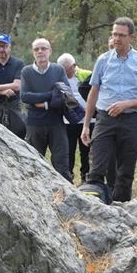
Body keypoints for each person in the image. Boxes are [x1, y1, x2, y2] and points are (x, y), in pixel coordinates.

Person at [81, 17, 137, 202]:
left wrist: (128, 104)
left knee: (126, 172)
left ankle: (120, 211)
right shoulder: (103, 60)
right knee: (97, 168)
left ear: (131, 37)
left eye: (121, 35)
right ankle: (95, 208)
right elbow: (93, 92)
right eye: (114, 34)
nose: (117, 39)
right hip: (105, 119)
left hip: (131, 121)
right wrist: (85, 125)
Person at [20, 38, 71, 181]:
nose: (40, 52)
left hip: (56, 123)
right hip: (35, 125)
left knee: (62, 165)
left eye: (43, 48)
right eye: (36, 49)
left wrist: (45, 104)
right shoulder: (26, 71)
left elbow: (66, 96)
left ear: (50, 51)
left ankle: (66, 198)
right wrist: (51, 94)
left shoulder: (58, 70)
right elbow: (25, 96)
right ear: (33, 53)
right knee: (34, 165)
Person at [57, 53, 92, 182]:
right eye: (63, 70)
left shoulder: (86, 75)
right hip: (68, 121)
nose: (66, 73)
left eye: (68, 70)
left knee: (86, 151)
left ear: (74, 66)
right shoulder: (58, 78)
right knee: (69, 150)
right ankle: (68, 177)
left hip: (88, 120)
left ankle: (86, 177)